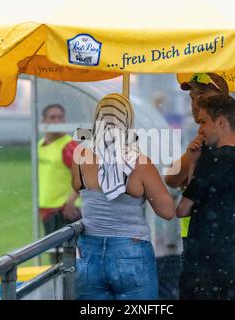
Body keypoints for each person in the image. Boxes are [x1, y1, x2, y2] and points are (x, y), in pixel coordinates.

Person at [71, 93, 175, 300]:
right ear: (128, 122)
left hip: (89, 253)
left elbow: (77, 187)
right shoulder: (139, 163)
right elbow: (167, 211)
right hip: (131, 251)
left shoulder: (81, 157)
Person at [165, 73, 235, 256]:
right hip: (218, 233)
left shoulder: (214, 138)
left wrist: (187, 179)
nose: (195, 103)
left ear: (221, 99)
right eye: (192, 97)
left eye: (202, 95)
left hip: (209, 235)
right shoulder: (228, 133)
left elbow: (172, 178)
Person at [176, 94, 235, 300]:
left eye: (203, 122)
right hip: (232, 263)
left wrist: (192, 164)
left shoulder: (212, 159)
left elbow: (182, 210)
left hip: (203, 267)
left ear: (221, 122)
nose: (200, 129)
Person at [38, 104, 81, 262]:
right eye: (52, 117)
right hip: (47, 211)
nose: (57, 121)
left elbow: (83, 176)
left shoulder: (69, 146)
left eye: (60, 117)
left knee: (66, 261)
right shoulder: (40, 144)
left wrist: (70, 202)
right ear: (43, 120)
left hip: (64, 212)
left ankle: (69, 287)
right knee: (54, 259)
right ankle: (58, 287)